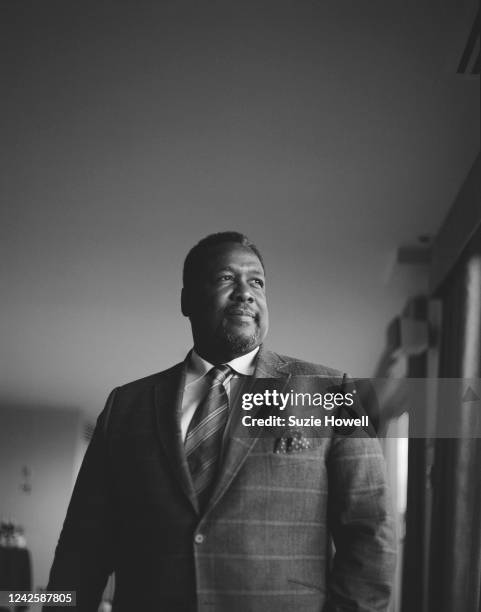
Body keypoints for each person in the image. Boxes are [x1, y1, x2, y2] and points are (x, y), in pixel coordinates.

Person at [46, 231, 396, 612]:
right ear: (186, 300)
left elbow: (369, 530)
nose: (246, 292)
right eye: (226, 278)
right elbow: (82, 546)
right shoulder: (125, 406)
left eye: (257, 281)